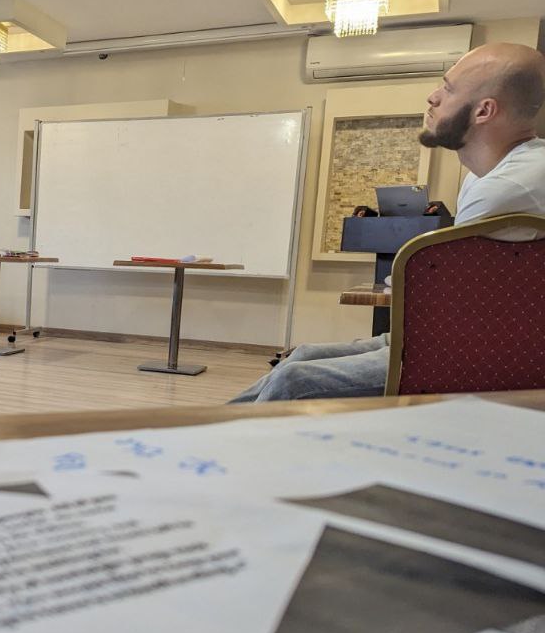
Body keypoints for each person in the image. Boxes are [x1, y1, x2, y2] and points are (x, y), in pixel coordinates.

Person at [234, 42, 545, 403]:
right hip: (470, 336)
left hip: (485, 353)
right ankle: (195, 433)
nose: (433, 97)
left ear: (484, 110)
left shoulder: (506, 188)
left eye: (448, 89)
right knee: (301, 355)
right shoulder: (492, 176)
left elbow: (457, 313)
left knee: (293, 380)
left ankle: (207, 437)